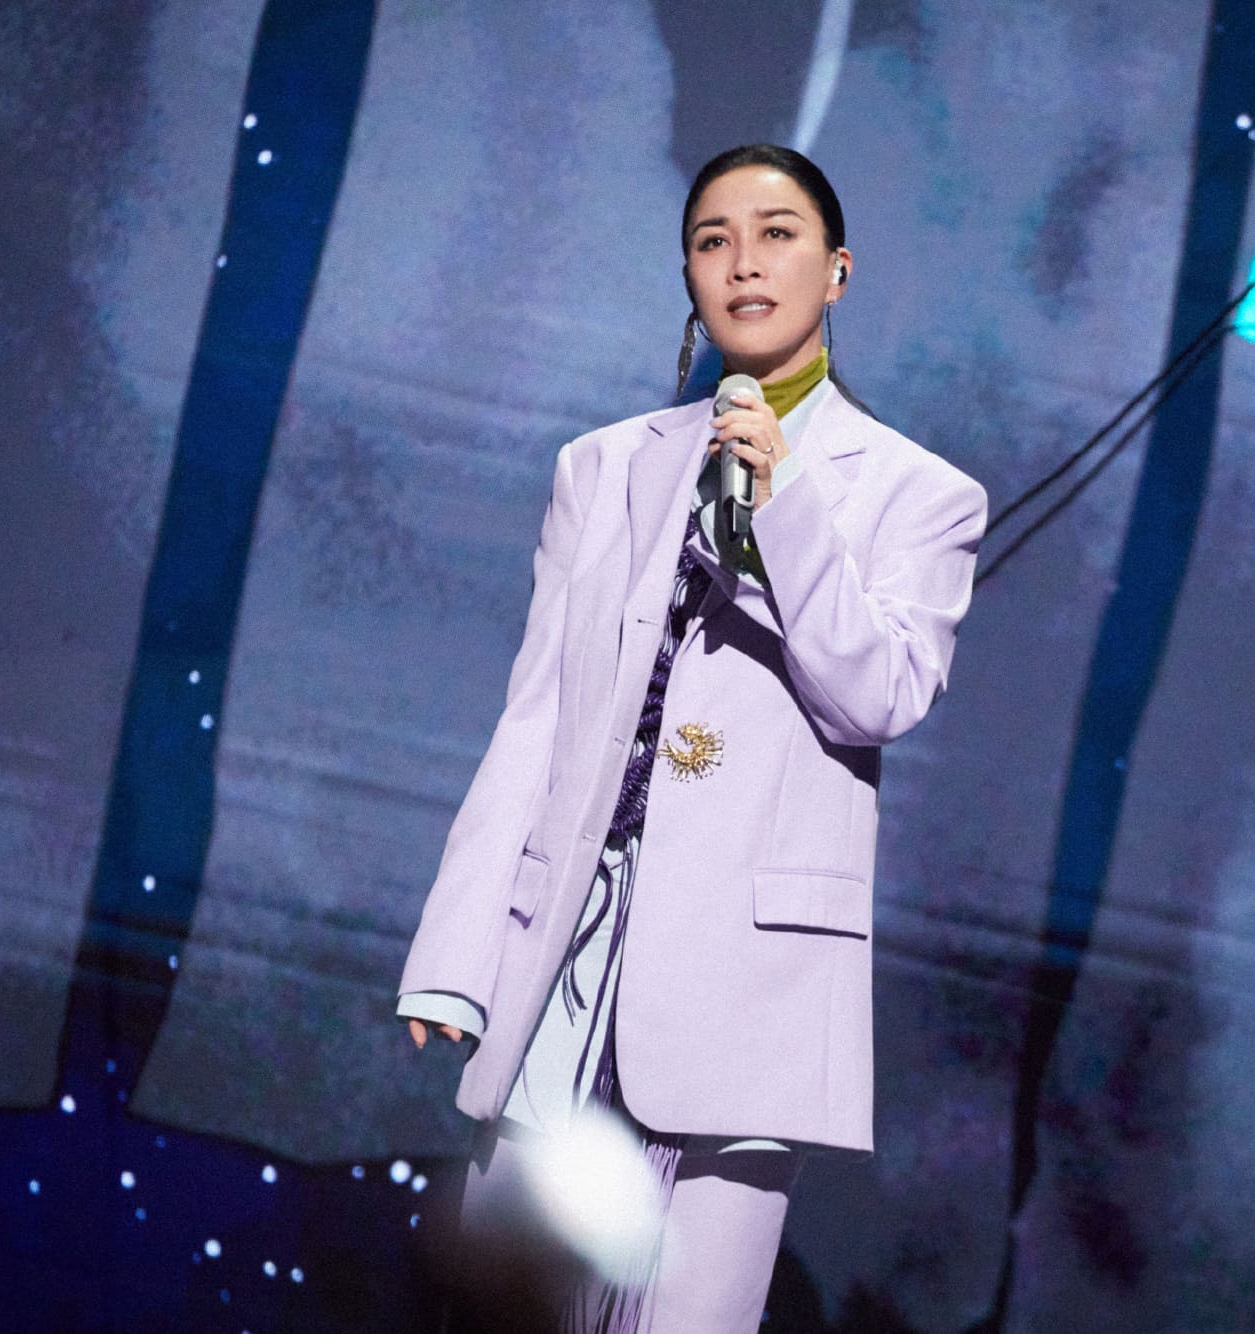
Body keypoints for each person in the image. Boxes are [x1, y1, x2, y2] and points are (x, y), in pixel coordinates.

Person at [395, 144, 987, 1332]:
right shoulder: (603, 467)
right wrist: (456, 954)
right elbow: (536, 717)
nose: (743, 263)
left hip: (748, 973)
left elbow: (877, 696)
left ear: (837, 271)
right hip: (572, 945)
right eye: (713, 241)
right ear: (688, 276)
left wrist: (784, 508)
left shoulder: (917, 495)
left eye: (776, 235)